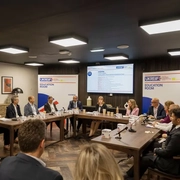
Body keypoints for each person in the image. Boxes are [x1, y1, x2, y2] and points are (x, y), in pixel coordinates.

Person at [126, 108, 180, 178]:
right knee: (147, 155)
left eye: (172, 117)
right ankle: (133, 174)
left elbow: (167, 152)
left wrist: (156, 150)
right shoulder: (176, 129)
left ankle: (130, 177)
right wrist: (159, 150)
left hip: (172, 164)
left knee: (145, 159)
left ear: (178, 120)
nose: (171, 118)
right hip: (170, 157)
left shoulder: (177, 135)